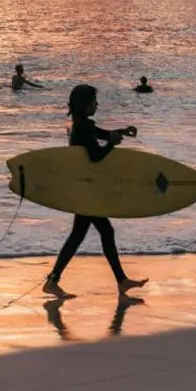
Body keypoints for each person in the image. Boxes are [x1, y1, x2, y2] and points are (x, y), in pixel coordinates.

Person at [42, 84, 148, 299]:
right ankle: (119, 281)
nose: (97, 105)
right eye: (94, 102)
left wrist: (121, 132)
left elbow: (102, 134)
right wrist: (111, 145)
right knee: (101, 232)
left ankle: (55, 281)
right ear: (85, 104)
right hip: (86, 192)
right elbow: (95, 157)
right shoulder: (81, 127)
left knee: (82, 234)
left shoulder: (82, 125)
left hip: (84, 189)